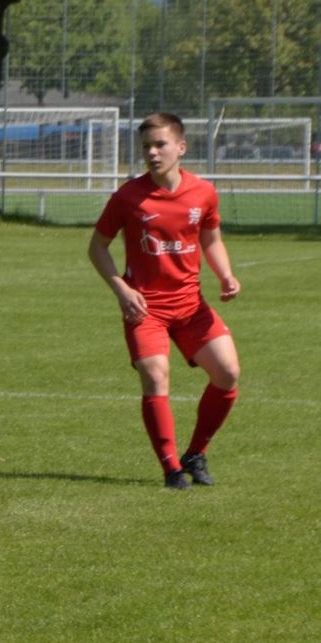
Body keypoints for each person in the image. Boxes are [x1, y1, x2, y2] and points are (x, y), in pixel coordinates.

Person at [88, 112, 241, 490]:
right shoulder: (128, 196)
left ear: (181, 147)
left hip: (191, 306)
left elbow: (211, 239)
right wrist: (122, 289)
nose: (152, 153)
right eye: (146, 147)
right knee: (156, 375)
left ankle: (196, 453)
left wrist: (225, 274)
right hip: (145, 309)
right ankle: (172, 469)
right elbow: (97, 247)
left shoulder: (203, 192)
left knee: (227, 372)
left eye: (160, 145)